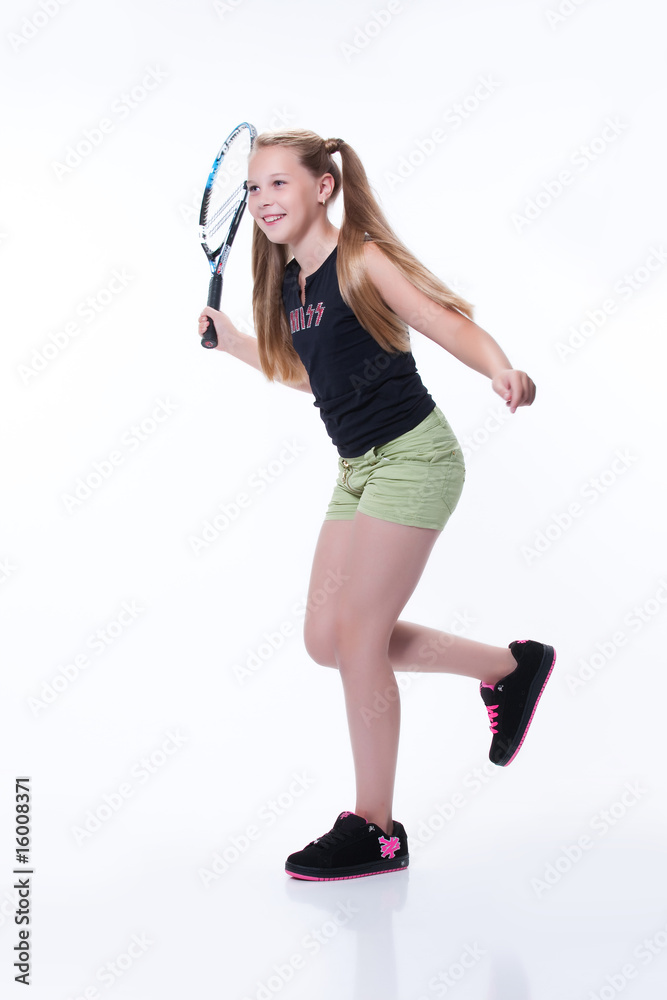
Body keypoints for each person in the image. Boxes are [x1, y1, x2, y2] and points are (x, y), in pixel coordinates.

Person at [197, 129, 556, 882]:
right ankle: (507, 668)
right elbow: (311, 376)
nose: (262, 199)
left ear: (322, 187)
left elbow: (442, 321)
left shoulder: (360, 260)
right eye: (253, 188)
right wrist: (233, 343)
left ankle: (376, 829)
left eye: (278, 183)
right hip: (357, 469)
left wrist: (501, 368)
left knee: (359, 637)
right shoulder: (290, 285)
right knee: (326, 640)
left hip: (414, 458)